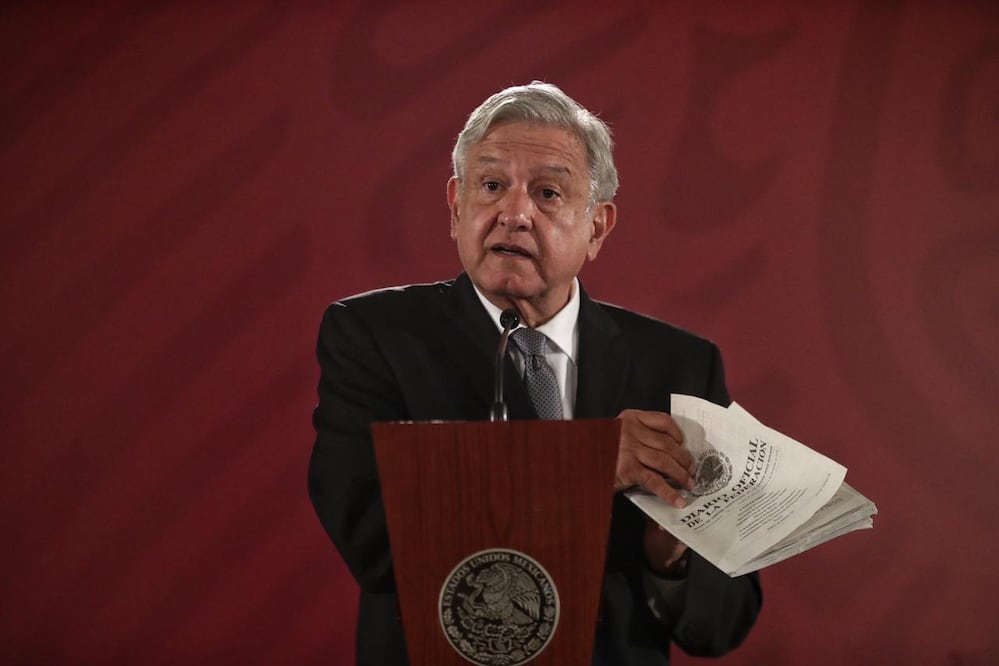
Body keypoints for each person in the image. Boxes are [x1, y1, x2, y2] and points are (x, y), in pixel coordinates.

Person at [308, 81, 762, 665]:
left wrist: (669, 560)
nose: (514, 214)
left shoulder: (679, 365)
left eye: (548, 192)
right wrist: (590, 462)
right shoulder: (375, 337)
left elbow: (724, 622)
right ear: (456, 206)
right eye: (492, 185)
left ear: (597, 227)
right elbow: (370, 538)